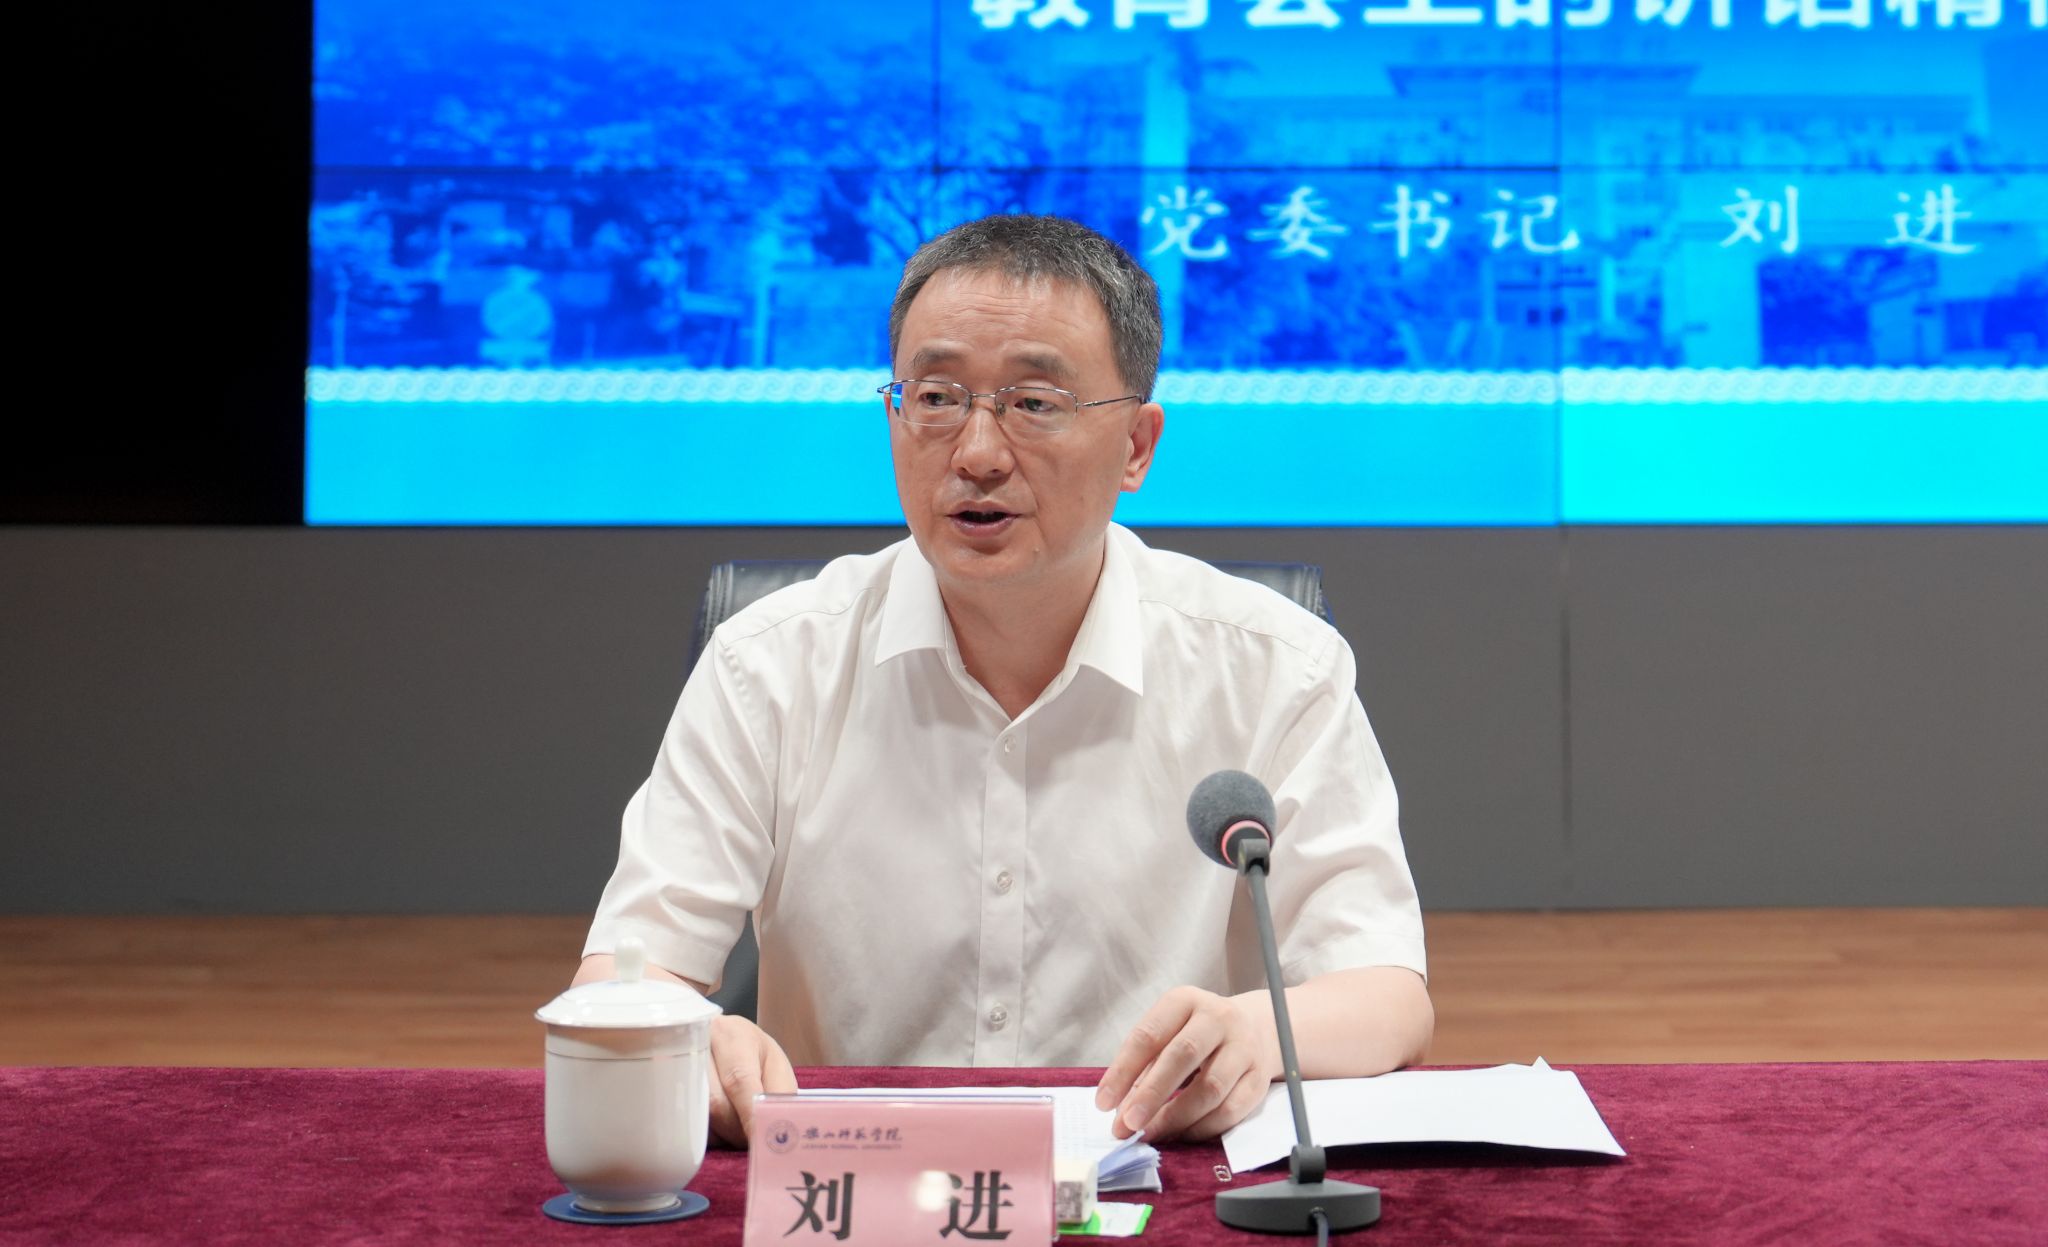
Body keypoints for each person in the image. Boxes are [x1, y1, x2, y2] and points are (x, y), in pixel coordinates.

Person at [572, 214, 1431, 1149]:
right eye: (937, 397)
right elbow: (623, 977)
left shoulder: (1276, 667)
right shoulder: (768, 665)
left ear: (1137, 445)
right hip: (852, 1182)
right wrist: (694, 1037)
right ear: (894, 416)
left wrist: (1254, 1034)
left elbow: (1384, 991)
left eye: (1033, 402)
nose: (977, 452)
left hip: (1157, 1176)